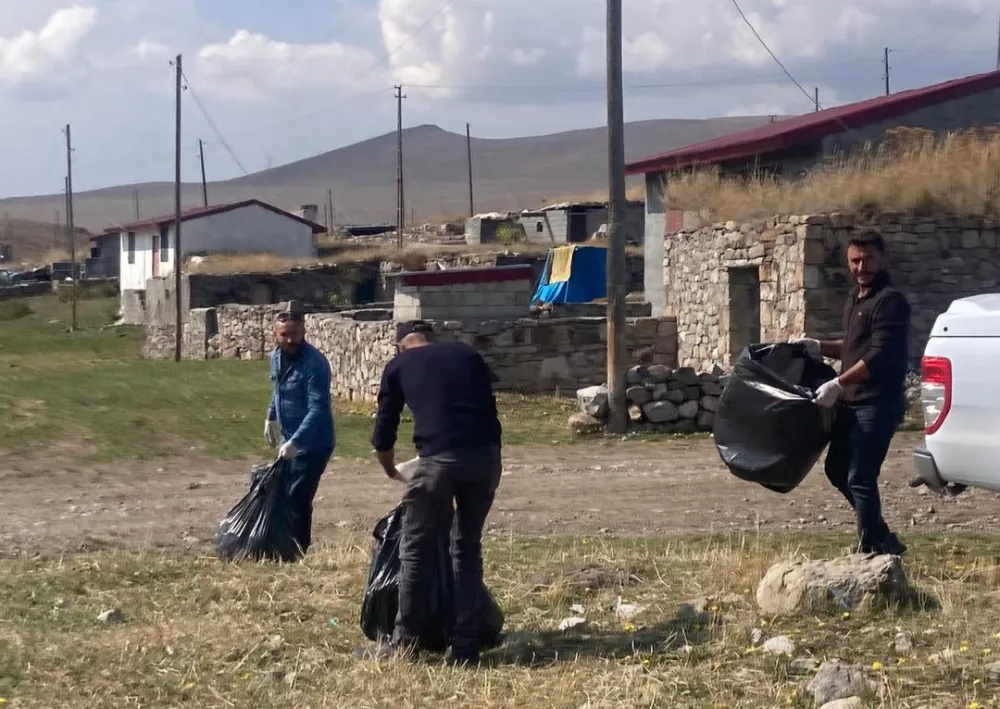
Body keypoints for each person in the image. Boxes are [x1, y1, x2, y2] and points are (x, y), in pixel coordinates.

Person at [361, 320, 503, 665]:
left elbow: (384, 431)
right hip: (486, 458)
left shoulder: (398, 365)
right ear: (429, 339)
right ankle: (465, 647)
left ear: (400, 345)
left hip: (438, 461)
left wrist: (391, 470)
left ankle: (405, 642)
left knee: (416, 551)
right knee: (467, 548)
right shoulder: (468, 354)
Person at [796, 230, 911, 556]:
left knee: (861, 476)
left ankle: (870, 546)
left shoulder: (890, 301)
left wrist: (837, 383)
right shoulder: (857, 298)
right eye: (855, 260)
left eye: (868, 259)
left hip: (877, 403)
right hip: (853, 402)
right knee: (837, 469)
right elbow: (853, 346)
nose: (862, 267)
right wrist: (818, 346)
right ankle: (881, 536)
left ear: (882, 259)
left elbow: (878, 355)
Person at [264, 302, 335, 556]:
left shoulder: (314, 363)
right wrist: (271, 417)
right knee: (283, 493)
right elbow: (279, 390)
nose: (290, 340)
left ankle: (297, 550)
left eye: (295, 333)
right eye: (284, 335)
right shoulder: (276, 357)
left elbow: (318, 409)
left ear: (304, 331)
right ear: (276, 334)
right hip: (289, 438)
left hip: (314, 442)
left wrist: (297, 441)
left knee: (298, 497)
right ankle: (282, 544)